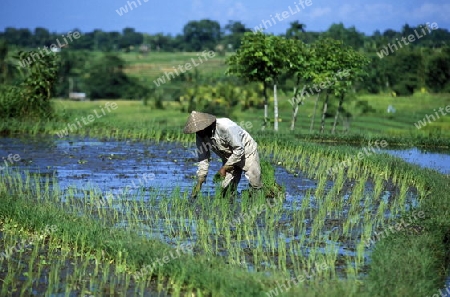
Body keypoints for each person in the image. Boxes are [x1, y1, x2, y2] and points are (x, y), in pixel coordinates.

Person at [183, 111, 263, 199]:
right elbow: (203, 158)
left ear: (208, 125)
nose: (199, 133)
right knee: (226, 192)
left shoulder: (226, 127)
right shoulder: (200, 135)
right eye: (197, 131)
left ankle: (259, 200)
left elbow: (239, 149)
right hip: (228, 156)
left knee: (255, 182)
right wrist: (201, 178)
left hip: (247, 152)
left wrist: (225, 167)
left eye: (200, 130)